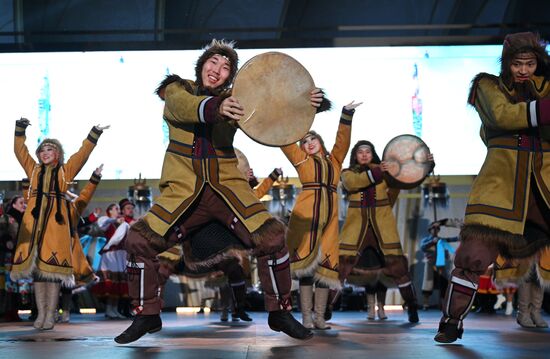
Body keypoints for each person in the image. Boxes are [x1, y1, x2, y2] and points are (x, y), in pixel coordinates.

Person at [115, 39, 324, 344]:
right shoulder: (177, 89)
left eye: (226, 67)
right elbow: (180, 106)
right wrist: (216, 106)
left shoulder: (238, 99)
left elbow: (273, 108)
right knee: (137, 240)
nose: (218, 69)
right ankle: (147, 314)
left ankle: (279, 312)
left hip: (228, 189)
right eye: (213, 62)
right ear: (201, 65)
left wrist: (306, 101)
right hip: (184, 192)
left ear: (231, 76)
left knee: (273, 238)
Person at [434, 32, 550, 343]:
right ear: (506, 64)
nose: (524, 70)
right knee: (473, 256)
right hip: (500, 185)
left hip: (543, 186)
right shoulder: (488, 86)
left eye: (530, 63)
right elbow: (503, 115)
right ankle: (451, 321)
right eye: (517, 63)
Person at [10, 118, 106, 330]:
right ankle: (41, 313)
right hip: (34, 230)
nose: (45, 153)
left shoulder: (64, 173)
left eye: (50, 149)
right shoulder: (33, 170)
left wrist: (94, 134)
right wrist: (20, 130)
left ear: (58, 154)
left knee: (52, 275)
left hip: (55, 230)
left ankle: (50, 315)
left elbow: (81, 156)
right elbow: (19, 151)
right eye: (42, 150)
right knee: (37, 275)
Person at [281, 101, 361, 330]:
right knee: (306, 272)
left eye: (312, 138)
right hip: (305, 223)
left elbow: (343, 141)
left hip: (329, 224)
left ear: (320, 142)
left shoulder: (334, 161)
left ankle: (319, 317)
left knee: (325, 271)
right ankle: (306, 317)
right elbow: (286, 142)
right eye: (304, 141)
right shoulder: (301, 160)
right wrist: (285, 115)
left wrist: (346, 114)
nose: (308, 143)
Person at [338, 140, 433, 323]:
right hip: (357, 227)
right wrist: (378, 172)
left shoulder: (385, 171)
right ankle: (325, 309)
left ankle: (412, 306)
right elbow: (353, 184)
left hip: (382, 226)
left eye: (368, 151)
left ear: (373, 153)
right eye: (360, 151)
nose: (364, 154)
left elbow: (405, 180)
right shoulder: (348, 173)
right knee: (342, 266)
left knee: (398, 267)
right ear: (355, 155)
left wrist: (425, 166)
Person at [58, 166, 103, 323]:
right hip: (50, 247)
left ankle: (65, 311)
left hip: (68, 247)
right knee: (51, 282)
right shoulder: (47, 203)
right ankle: (49, 311)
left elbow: (81, 218)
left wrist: (95, 177)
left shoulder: (71, 207)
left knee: (66, 284)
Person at [420, 218, 460, 309]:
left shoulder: (441, 240)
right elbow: (422, 247)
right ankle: (425, 303)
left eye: (437, 228)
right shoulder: (425, 240)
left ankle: (443, 303)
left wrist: (459, 238)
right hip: (430, 265)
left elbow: (450, 239)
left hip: (440, 265)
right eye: (433, 228)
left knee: (443, 283)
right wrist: (431, 242)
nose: (435, 230)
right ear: (430, 230)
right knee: (428, 283)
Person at [0, 195, 26, 322]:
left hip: (20, 255)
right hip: (9, 255)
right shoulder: (7, 217)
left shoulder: (25, 218)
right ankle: (7, 312)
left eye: (24, 203)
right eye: (21, 203)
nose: (23, 205)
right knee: (9, 285)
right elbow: (1, 232)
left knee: (17, 285)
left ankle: (14, 311)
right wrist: (7, 241)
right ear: (14, 205)